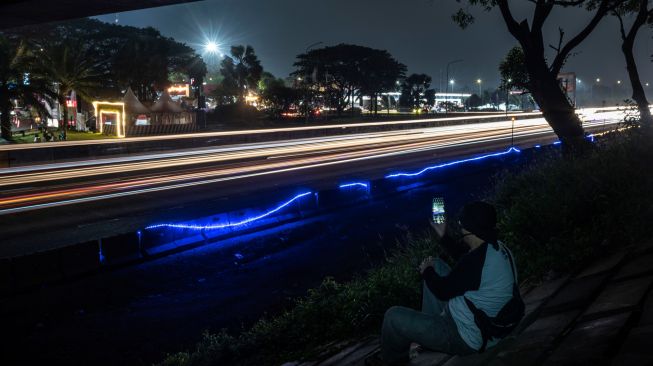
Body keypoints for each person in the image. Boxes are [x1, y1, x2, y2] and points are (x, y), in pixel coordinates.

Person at [370, 201, 523, 365]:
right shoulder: (497, 248)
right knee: (437, 264)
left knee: (393, 316)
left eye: (461, 223)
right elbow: (465, 262)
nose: (459, 227)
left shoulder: (475, 262)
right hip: (488, 329)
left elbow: (442, 290)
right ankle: (430, 338)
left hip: (464, 337)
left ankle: (391, 362)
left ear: (469, 229)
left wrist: (426, 271)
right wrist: (443, 236)